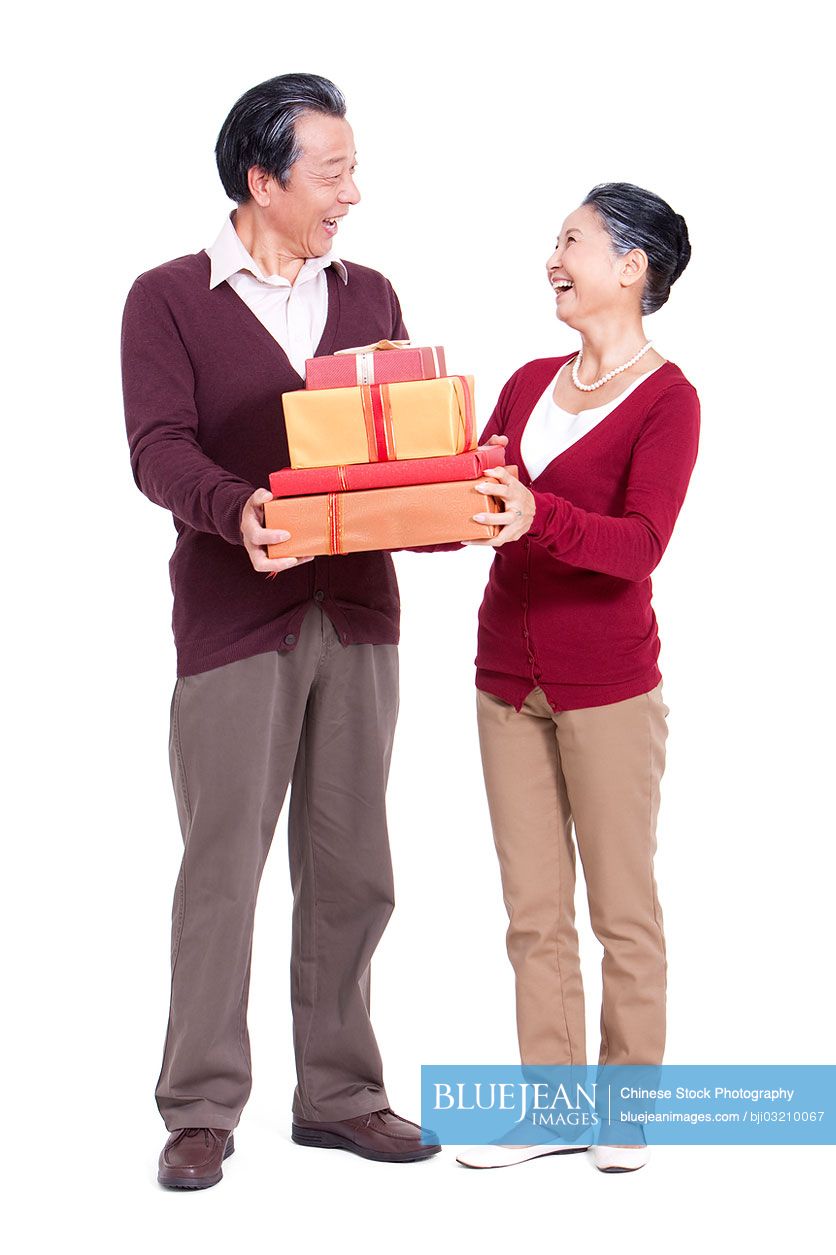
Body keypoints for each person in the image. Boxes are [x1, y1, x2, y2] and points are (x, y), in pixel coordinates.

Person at [121, 72, 440, 1190]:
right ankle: (201, 1105)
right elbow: (157, 448)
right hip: (232, 619)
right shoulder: (167, 298)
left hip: (356, 616)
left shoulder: (371, 294)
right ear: (262, 179)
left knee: (354, 867)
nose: (353, 191)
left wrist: (453, 510)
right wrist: (238, 510)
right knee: (222, 867)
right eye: (333, 171)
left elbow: (398, 457)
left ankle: (340, 1092)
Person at [454, 183, 700, 1173]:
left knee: (620, 908)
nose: (550, 257)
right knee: (532, 911)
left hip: (606, 688)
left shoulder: (668, 399)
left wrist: (534, 517)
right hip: (503, 681)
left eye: (571, 242)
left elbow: (639, 544)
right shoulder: (522, 384)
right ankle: (549, 1104)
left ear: (630, 268)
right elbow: (478, 510)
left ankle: (625, 1107)